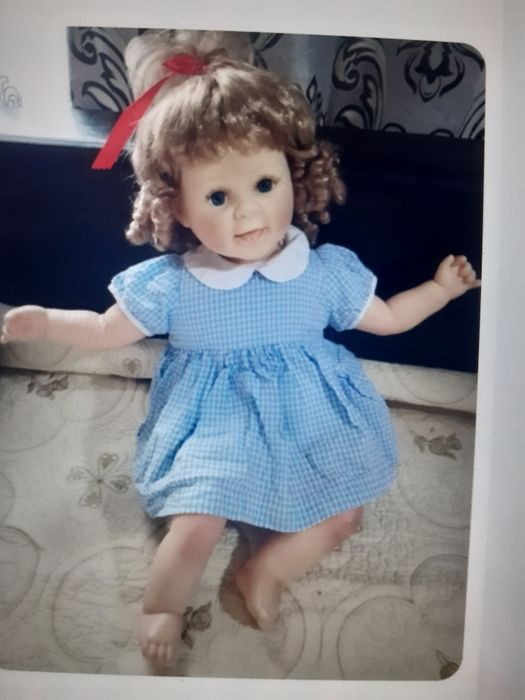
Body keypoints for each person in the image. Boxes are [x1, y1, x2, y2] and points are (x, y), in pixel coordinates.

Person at [0, 30, 480, 669]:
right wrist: (43, 321)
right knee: (197, 518)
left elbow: (389, 319)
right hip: (214, 419)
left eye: (263, 184)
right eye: (218, 197)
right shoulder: (175, 282)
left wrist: (441, 290)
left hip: (306, 413)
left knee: (343, 514)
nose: (246, 214)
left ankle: (266, 570)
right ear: (177, 207)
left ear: (295, 176)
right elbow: (105, 330)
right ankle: (162, 606)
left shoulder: (322, 273)